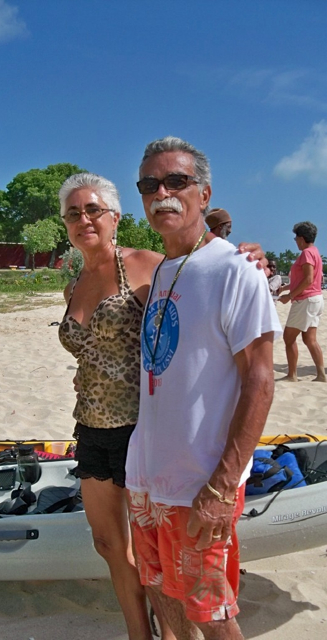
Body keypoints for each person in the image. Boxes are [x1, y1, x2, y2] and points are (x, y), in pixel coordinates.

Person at [58, 171, 269, 640]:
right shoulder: (72, 284)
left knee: (166, 558)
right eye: (73, 213)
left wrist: (248, 255)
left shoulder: (147, 265)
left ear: (114, 217)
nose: (84, 219)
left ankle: (173, 633)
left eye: (93, 210)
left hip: (143, 428)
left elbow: (199, 268)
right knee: (110, 544)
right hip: (90, 427)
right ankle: (140, 634)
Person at [125, 136, 282, 640]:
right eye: (150, 184)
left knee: (211, 615)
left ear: (205, 193)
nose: (162, 193)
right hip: (147, 478)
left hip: (200, 482)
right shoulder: (162, 269)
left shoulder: (237, 270)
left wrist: (221, 485)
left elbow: (259, 381)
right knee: (161, 591)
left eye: (177, 181)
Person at [278, 221, 326, 382]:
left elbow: (308, 279)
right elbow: (307, 280)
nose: (295, 241)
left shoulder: (306, 253)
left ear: (302, 238)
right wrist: (285, 288)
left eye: (296, 238)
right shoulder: (315, 252)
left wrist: (289, 296)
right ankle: (321, 374)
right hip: (315, 299)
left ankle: (292, 375)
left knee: (288, 338)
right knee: (309, 339)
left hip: (305, 300)